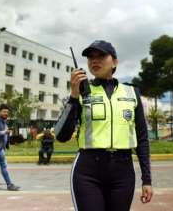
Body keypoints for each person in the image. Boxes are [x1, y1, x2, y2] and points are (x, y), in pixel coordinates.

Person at [56, 40, 153, 211]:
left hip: (123, 172)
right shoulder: (81, 92)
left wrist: (147, 180)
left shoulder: (131, 92)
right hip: (88, 171)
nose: (95, 60)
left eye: (101, 55)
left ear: (115, 62)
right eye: (90, 57)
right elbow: (62, 135)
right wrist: (73, 95)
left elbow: (142, 138)